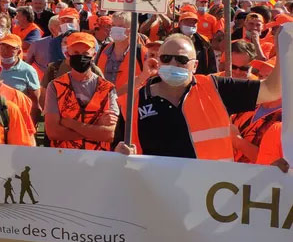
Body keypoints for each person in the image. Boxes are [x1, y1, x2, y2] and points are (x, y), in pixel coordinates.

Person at [114, 32, 283, 160]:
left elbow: (272, 90)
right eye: (166, 58)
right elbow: (117, 149)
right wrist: (120, 153)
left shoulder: (216, 88)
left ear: (194, 65)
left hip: (208, 194)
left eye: (181, 60)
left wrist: (285, 49)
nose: (173, 64)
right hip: (155, 194)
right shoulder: (134, 101)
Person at [44, 32, 119, 151]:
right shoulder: (55, 86)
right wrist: (96, 128)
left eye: (85, 54)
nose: (81, 57)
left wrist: (71, 124)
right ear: (67, 54)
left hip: (98, 159)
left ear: (94, 55)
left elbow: (109, 134)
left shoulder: (108, 88)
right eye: (76, 53)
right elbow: (53, 132)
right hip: (63, 156)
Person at [95, 12, 145, 93]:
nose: (115, 29)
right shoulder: (103, 49)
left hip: (132, 104)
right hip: (105, 102)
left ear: (132, 29)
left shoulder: (142, 53)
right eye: (113, 25)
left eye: (120, 26)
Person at [0, 34, 42, 115]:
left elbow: (35, 103)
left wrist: (30, 124)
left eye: (10, 47)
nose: (5, 50)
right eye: (3, 46)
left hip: (19, 117)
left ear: (19, 51)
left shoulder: (28, 71)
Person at [176, 10, 217, 75]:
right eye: (187, 21)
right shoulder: (171, 39)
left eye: (194, 22)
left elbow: (211, 63)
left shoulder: (204, 41)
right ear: (180, 23)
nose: (191, 25)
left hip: (199, 78)